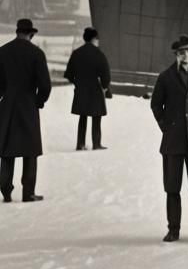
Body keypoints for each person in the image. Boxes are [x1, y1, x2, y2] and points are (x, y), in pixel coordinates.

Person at [150, 34, 188, 242]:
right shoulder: (165, 77)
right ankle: (173, 229)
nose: (186, 55)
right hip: (172, 141)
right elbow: (156, 105)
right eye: (182, 52)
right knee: (172, 187)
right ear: (176, 55)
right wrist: (166, 127)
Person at [0, 19, 51, 202]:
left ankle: (5, 190)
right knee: (30, 149)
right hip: (28, 104)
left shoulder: (2, 51)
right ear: (31, 34)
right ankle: (28, 192)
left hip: (7, 106)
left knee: (7, 148)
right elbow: (45, 85)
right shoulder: (37, 53)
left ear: (17, 32)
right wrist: (39, 101)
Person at [63, 27, 111, 150]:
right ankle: (96, 143)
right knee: (96, 117)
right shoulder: (99, 54)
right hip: (95, 89)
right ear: (94, 39)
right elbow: (105, 75)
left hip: (81, 89)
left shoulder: (76, 53)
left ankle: (80, 144)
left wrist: (77, 83)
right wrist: (105, 87)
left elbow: (68, 74)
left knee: (82, 116)